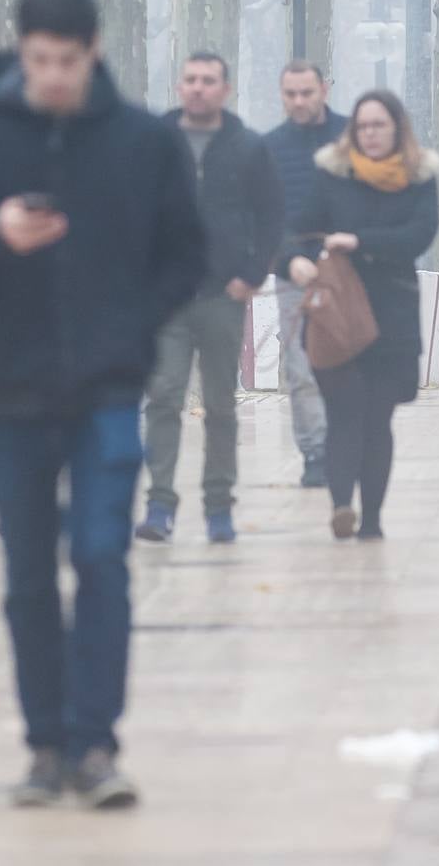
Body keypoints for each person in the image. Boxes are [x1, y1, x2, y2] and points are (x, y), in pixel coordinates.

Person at [0, 0, 204, 811]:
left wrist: (129, 322)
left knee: (102, 557)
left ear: (92, 52)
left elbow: (186, 254)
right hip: (5, 388)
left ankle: (97, 742)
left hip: (108, 387)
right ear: (22, 52)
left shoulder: (143, 143)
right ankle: (44, 744)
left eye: (68, 61)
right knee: (29, 572)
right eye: (40, 61)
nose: (55, 76)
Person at [136, 52, 283, 546]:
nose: (199, 88)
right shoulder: (154, 143)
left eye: (209, 81)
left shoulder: (248, 147)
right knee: (163, 397)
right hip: (167, 300)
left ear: (226, 88)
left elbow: (270, 218)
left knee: (221, 404)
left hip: (224, 294)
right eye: (191, 80)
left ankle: (219, 506)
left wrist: (251, 273)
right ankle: (159, 504)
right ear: (180, 87)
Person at [284, 91, 439, 541]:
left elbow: (419, 234)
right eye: (363, 125)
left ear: (397, 129)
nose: (370, 133)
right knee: (344, 410)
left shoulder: (419, 176)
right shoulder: (332, 174)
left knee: (377, 418)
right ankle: (340, 507)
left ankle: (371, 519)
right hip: (337, 314)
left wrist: (359, 241)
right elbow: (298, 231)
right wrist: (297, 260)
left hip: (392, 315)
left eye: (379, 125)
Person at [263, 61, 348, 487]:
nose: (298, 101)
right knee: (300, 367)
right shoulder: (269, 148)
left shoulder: (353, 138)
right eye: (290, 94)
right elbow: (261, 217)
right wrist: (289, 258)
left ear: (323, 90)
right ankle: (315, 453)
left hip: (348, 273)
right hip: (293, 273)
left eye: (306, 92)